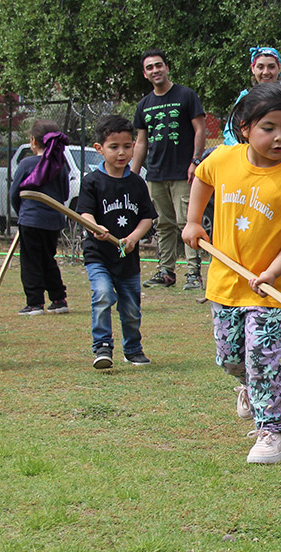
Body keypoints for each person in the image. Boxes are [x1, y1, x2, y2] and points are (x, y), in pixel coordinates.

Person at [181, 82, 281, 464]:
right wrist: (194, 221)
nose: (280, 138)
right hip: (225, 282)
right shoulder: (223, 158)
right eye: (269, 128)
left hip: (269, 291)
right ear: (245, 127)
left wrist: (274, 272)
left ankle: (271, 432)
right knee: (229, 358)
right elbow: (203, 179)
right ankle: (249, 387)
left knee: (262, 358)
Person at [77, 115, 157, 369]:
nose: (121, 153)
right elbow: (84, 213)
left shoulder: (137, 183)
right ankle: (102, 346)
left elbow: (147, 217)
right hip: (98, 255)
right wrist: (94, 226)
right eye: (114, 147)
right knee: (102, 295)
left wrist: (134, 237)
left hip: (127, 258)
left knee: (131, 308)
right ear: (99, 149)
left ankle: (132, 348)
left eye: (126, 146)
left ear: (134, 145)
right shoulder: (92, 182)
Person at [132, 48, 206, 291]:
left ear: (166, 67)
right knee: (163, 223)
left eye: (159, 65)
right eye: (150, 67)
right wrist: (132, 175)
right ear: (145, 74)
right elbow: (141, 142)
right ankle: (166, 272)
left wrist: (196, 161)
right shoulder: (144, 104)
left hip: (183, 173)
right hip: (155, 174)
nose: (156, 70)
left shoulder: (186, 95)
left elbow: (200, 129)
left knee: (187, 222)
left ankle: (193, 273)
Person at [10, 120, 70, 315]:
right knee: (48, 259)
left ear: (33, 141)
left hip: (31, 220)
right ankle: (59, 299)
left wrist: (22, 213)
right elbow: (65, 194)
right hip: (53, 221)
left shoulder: (27, 164)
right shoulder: (61, 166)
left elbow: (14, 193)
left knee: (30, 261)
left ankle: (35, 303)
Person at [222, 46, 281, 169]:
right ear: (253, 69)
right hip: (249, 162)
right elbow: (230, 131)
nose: (265, 72)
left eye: (271, 66)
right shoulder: (245, 97)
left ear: (279, 68)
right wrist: (243, 152)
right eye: (260, 67)